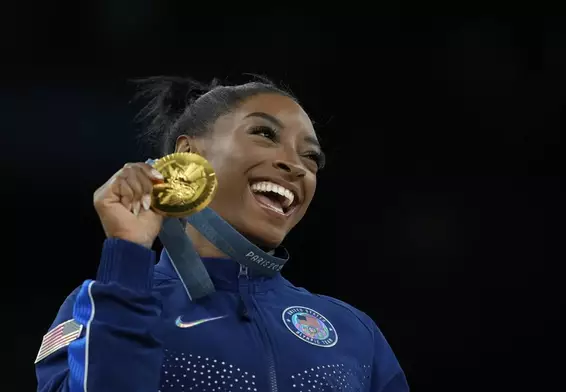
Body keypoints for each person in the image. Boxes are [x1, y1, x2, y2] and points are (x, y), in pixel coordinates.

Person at [34, 76, 409, 392]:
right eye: (264, 133)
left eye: (311, 157)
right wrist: (129, 252)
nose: (296, 166)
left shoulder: (356, 332)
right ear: (189, 152)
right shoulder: (111, 302)